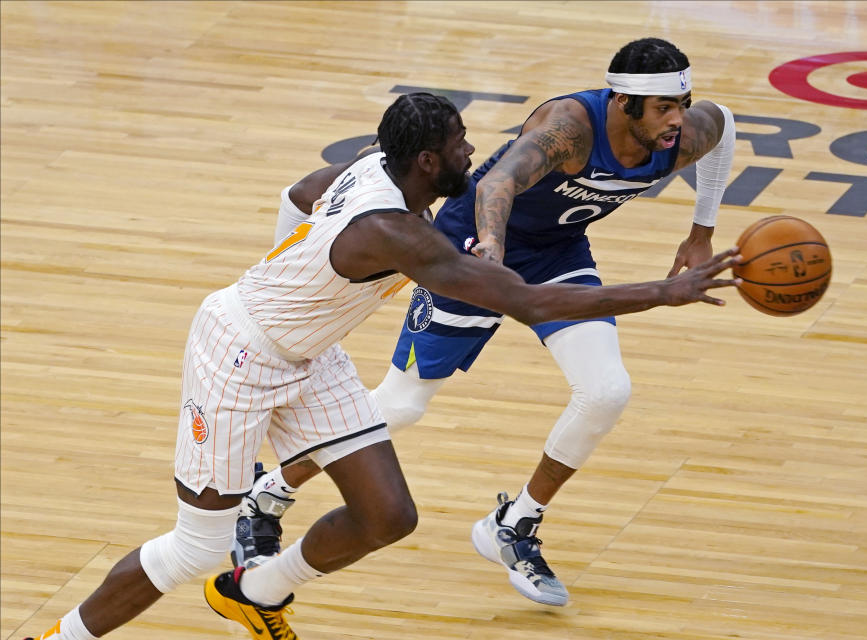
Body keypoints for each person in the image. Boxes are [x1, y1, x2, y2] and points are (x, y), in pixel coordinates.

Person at [25, 90, 739, 640]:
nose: (473, 152)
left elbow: (301, 192)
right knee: (195, 547)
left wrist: (293, 272)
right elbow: (526, 302)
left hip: (308, 353)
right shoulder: (397, 233)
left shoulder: (378, 168)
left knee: (387, 515)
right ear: (428, 161)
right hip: (237, 355)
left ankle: (255, 593)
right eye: (461, 143)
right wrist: (666, 292)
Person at [231, 37, 737, 608]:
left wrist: (703, 230)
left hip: (557, 252)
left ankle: (514, 524)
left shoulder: (683, 134)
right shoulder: (570, 128)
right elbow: (496, 184)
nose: (677, 120)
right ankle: (267, 494)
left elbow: (725, 127)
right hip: (467, 247)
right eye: (664, 108)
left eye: (682, 103)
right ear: (623, 103)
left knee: (607, 391)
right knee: (400, 406)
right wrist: (490, 249)